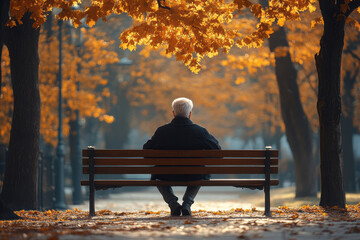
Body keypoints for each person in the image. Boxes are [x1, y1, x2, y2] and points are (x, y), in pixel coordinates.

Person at [143, 97, 221, 216]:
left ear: (173, 113)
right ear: (190, 114)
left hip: (166, 175)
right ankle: (187, 203)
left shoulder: (162, 131)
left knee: (156, 176)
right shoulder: (200, 132)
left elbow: (146, 152)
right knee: (202, 173)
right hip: (194, 175)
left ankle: (173, 203)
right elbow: (217, 151)